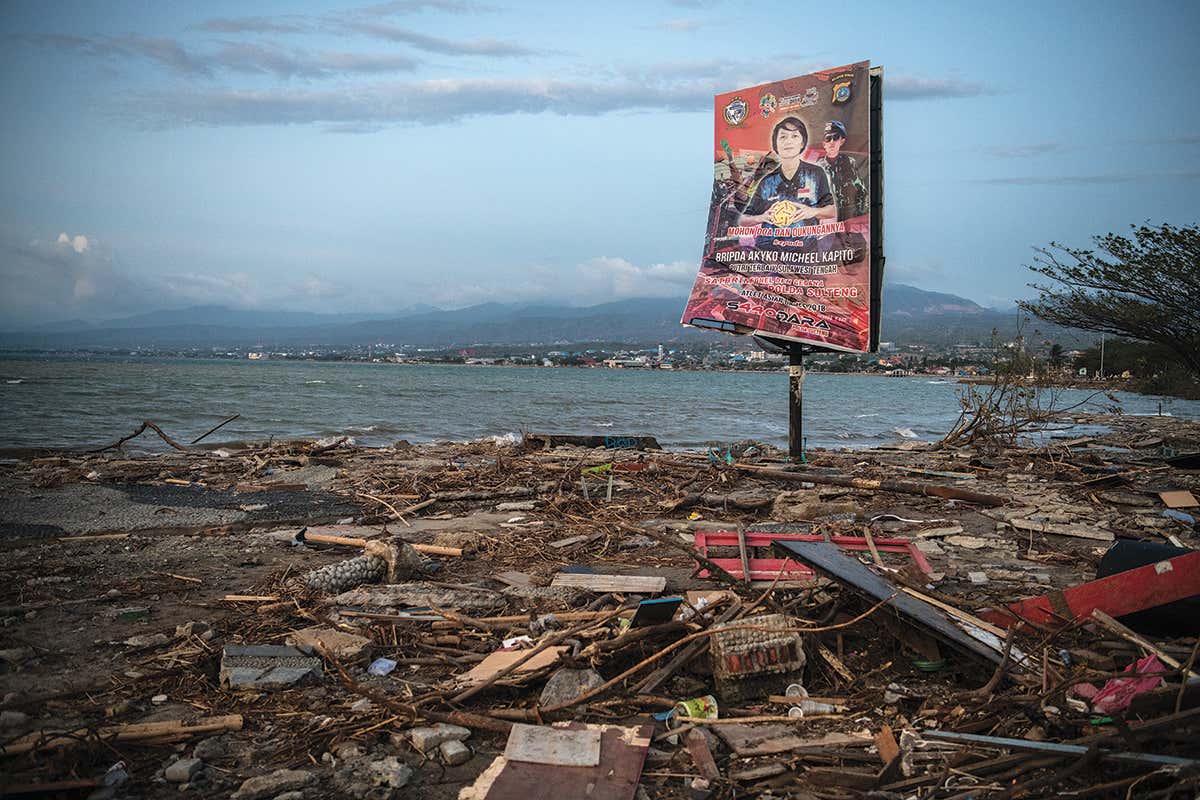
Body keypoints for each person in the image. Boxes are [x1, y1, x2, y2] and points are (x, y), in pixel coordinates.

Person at [738, 116, 836, 232]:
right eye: (783, 137)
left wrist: (813, 211)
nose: (788, 141)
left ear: (802, 143)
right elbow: (743, 220)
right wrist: (761, 218)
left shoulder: (816, 173)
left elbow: (832, 211)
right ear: (776, 145)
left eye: (794, 136)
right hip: (769, 248)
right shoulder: (767, 182)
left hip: (806, 248)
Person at [816, 120, 868, 221]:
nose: (831, 142)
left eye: (835, 138)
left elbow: (861, 191)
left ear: (842, 141)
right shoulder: (817, 167)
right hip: (828, 221)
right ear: (824, 144)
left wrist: (860, 214)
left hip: (848, 218)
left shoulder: (849, 163)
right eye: (828, 139)